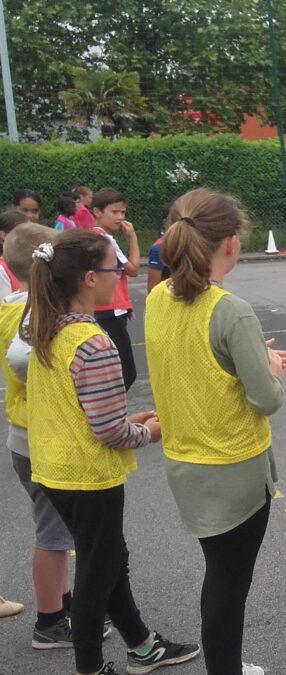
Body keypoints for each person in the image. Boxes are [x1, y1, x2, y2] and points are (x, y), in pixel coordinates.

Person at [24, 230, 200, 675]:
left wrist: (129, 420)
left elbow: (81, 411)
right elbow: (110, 433)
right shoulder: (94, 343)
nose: (121, 273)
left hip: (54, 469)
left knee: (108, 559)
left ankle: (142, 646)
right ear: (88, 278)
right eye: (112, 267)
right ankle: (90, 668)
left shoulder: (46, 330)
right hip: (89, 477)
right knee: (96, 577)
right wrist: (148, 432)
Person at [145, 188, 286, 675]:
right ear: (231, 243)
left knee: (220, 576)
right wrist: (267, 366)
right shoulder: (230, 310)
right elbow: (266, 398)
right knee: (229, 584)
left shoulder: (157, 298)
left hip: (186, 465)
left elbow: (193, 363)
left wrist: (252, 358)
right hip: (234, 470)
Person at [2, 223, 82, 650]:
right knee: (53, 538)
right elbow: (21, 360)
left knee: (58, 532)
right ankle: (50, 621)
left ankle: (65, 605)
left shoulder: (9, 308)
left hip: (23, 434)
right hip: (43, 438)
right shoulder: (36, 313)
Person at [90, 188, 140, 390]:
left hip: (109, 308)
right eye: (114, 212)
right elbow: (133, 270)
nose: (120, 217)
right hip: (109, 309)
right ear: (97, 212)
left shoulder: (95, 235)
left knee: (112, 369)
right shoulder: (105, 239)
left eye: (123, 212)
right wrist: (133, 237)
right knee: (126, 373)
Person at [0, 209, 30, 297]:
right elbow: (5, 306)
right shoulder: (1, 269)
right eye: (23, 233)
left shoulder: (26, 263)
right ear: (4, 235)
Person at [146, 203, 174, 293]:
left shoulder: (190, 245)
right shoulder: (158, 249)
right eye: (174, 220)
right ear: (165, 222)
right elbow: (152, 289)